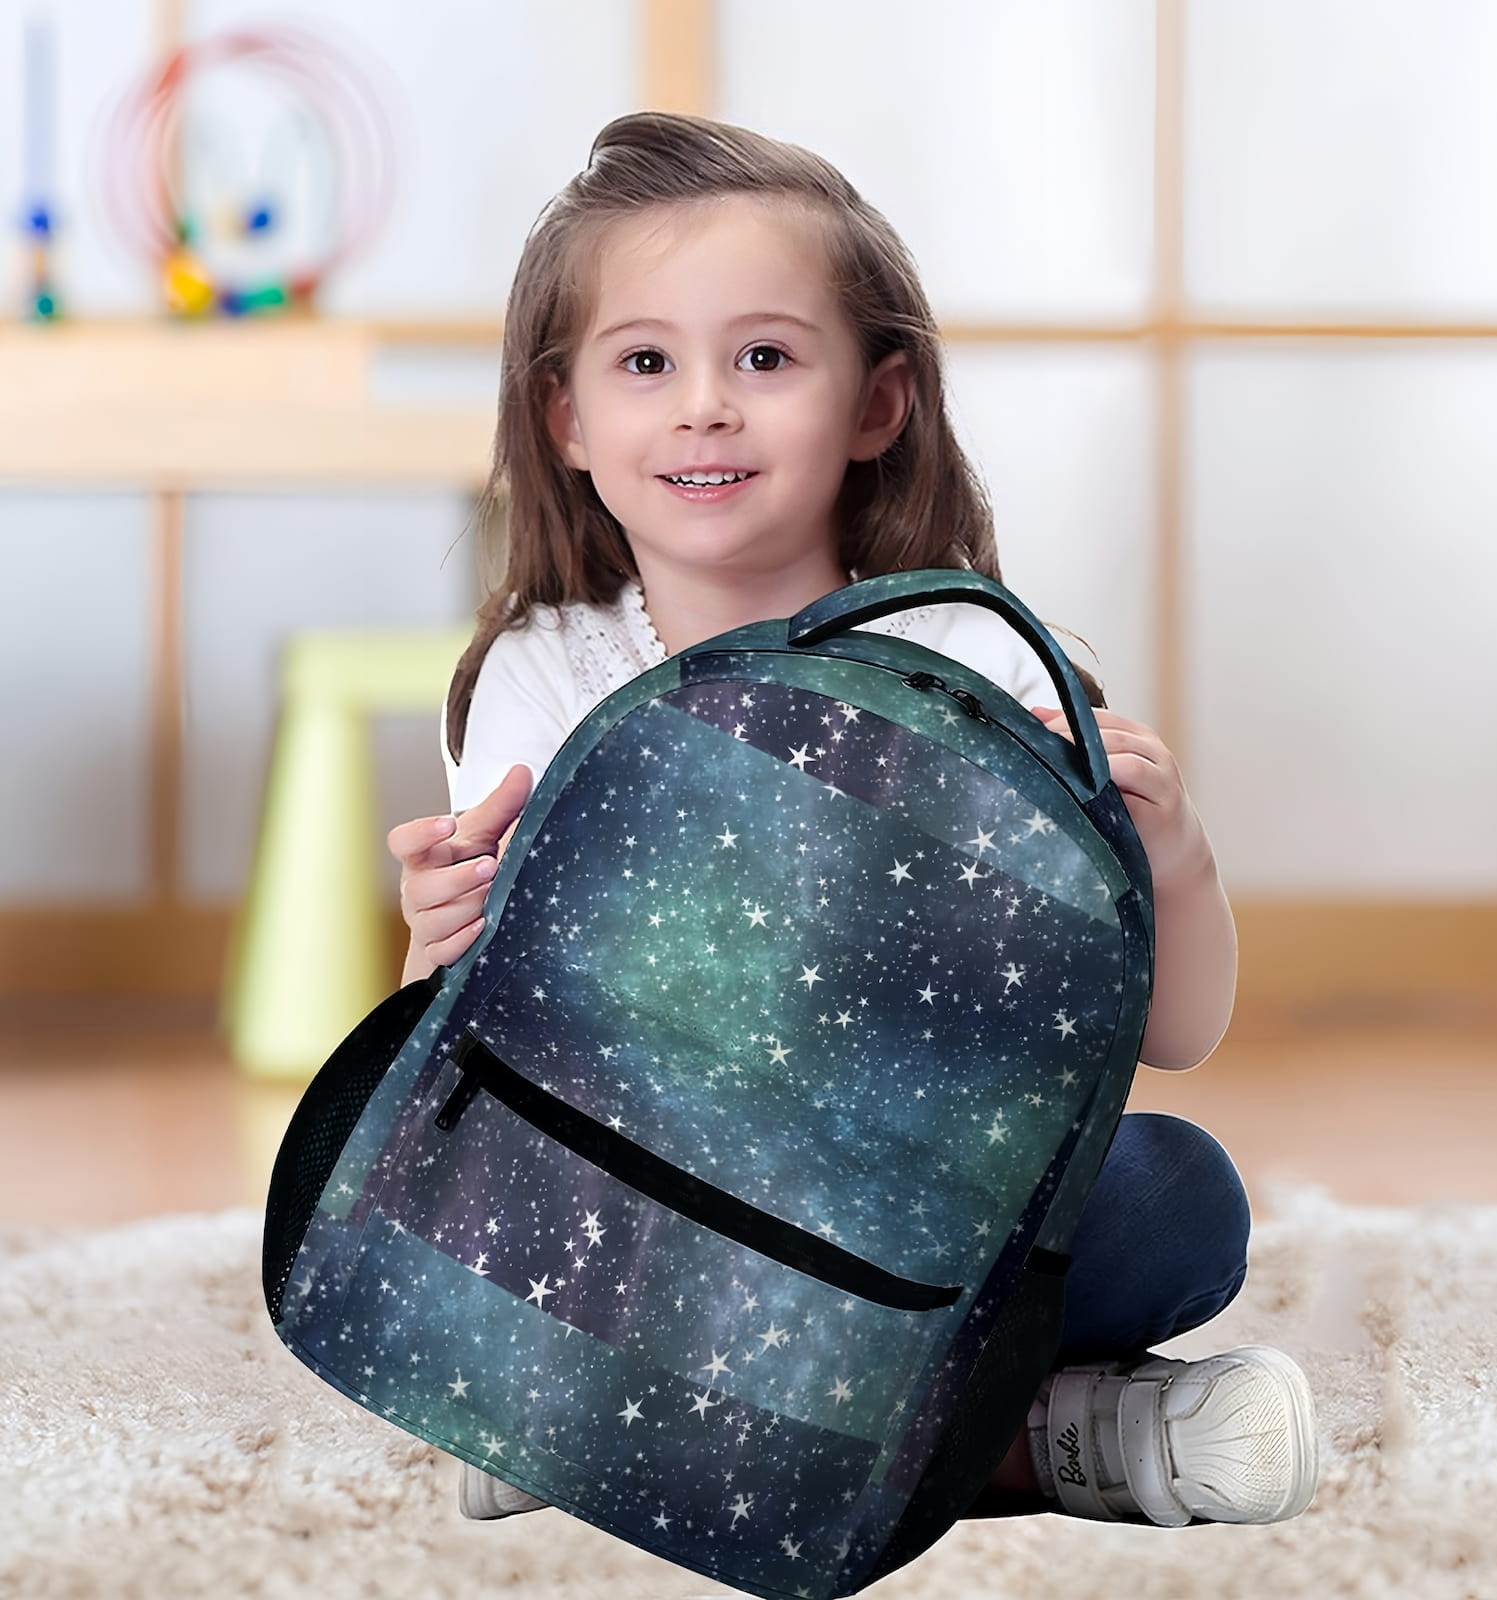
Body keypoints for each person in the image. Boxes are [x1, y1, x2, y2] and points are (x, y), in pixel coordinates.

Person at [386, 111, 1318, 1531]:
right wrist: (436, 946)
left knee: (1171, 1199)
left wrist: (1172, 855)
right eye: (646, 362)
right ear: (566, 418)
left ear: (878, 405)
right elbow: (486, 1076)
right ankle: (1054, 1443)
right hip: (644, 1212)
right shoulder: (543, 671)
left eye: (765, 358)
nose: (706, 406)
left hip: (902, 1229)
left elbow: (1173, 1036)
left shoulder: (977, 662)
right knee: (442, 1206)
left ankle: (607, 1430)